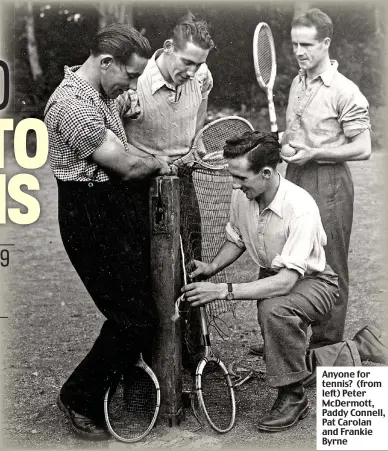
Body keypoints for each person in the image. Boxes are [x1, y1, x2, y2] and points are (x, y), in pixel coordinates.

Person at [44, 24, 172, 440]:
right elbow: (123, 165)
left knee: (140, 310)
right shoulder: (71, 104)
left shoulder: (100, 94)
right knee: (134, 319)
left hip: (113, 209)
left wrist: (151, 154)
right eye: (130, 75)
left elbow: (126, 150)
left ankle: (113, 386)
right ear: (105, 63)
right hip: (90, 214)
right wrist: (158, 162)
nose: (132, 84)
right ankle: (79, 397)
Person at [182, 130, 341, 431]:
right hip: (274, 274)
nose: (234, 184)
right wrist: (212, 267)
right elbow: (237, 238)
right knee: (272, 312)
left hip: (316, 281)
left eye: (241, 177)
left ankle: (293, 396)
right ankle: (296, 358)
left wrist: (223, 290)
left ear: (266, 173)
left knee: (274, 309)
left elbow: (284, 283)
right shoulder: (243, 194)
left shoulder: (301, 207)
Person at [116, 12, 215, 368]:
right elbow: (113, 133)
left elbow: (201, 107)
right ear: (168, 48)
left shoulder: (201, 76)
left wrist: (191, 144)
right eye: (186, 62)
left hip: (183, 178)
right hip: (140, 182)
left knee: (190, 265)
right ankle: (144, 361)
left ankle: (192, 357)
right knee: (143, 270)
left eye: (197, 64)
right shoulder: (133, 81)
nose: (191, 71)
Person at [280, 8, 372, 350]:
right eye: (294, 45)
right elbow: (297, 134)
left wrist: (316, 152)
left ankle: (327, 345)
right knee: (292, 254)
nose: (300, 52)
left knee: (329, 263)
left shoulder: (345, 90)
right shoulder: (297, 82)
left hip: (329, 180)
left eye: (307, 44)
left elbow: (362, 148)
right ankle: (288, 336)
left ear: (326, 43)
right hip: (296, 175)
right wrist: (286, 147)